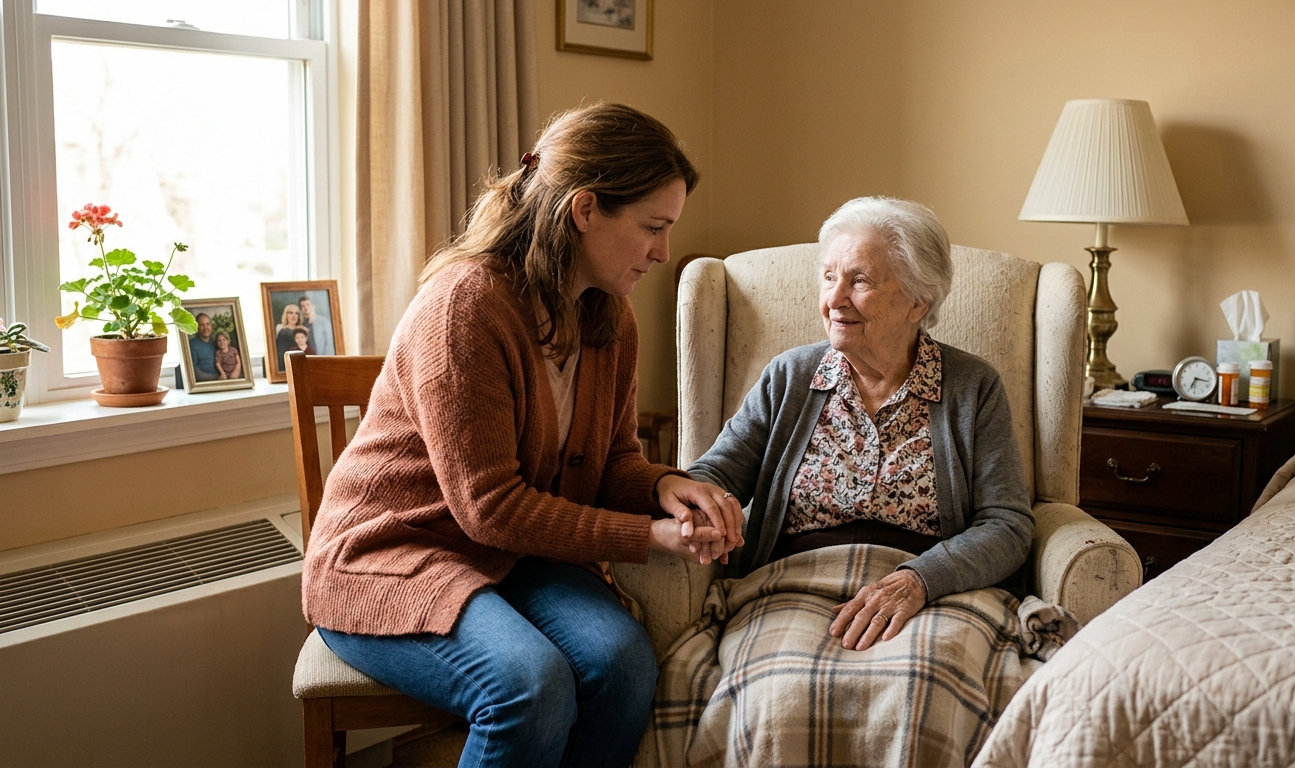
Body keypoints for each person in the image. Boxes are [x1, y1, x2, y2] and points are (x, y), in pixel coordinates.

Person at [302, 103, 744, 768]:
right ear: (586, 209)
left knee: (623, 665)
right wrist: (645, 538)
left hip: (511, 555)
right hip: (391, 555)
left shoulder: (610, 318)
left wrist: (669, 487)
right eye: (653, 228)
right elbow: (490, 509)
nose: (664, 253)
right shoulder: (464, 308)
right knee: (527, 686)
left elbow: (613, 460)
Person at [689, 196, 1033, 650]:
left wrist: (918, 580)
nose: (834, 299)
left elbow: (1007, 524)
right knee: (781, 691)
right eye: (829, 277)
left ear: (917, 301)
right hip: (790, 589)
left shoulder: (973, 387)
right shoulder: (790, 377)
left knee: (926, 683)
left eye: (860, 281)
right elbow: (713, 474)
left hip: (926, 595)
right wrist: (696, 507)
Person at [187, 313, 219, 382]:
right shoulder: (192, 344)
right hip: (204, 382)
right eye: (202, 325)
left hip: (219, 380)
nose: (206, 328)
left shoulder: (216, 343)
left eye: (208, 324)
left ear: (211, 326)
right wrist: (216, 377)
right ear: (197, 327)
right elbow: (194, 370)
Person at [273, 304, 304, 371]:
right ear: (286, 315)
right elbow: (281, 354)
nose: (294, 316)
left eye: (296, 313)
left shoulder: (304, 331)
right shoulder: (283, 332)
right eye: (290, 313)